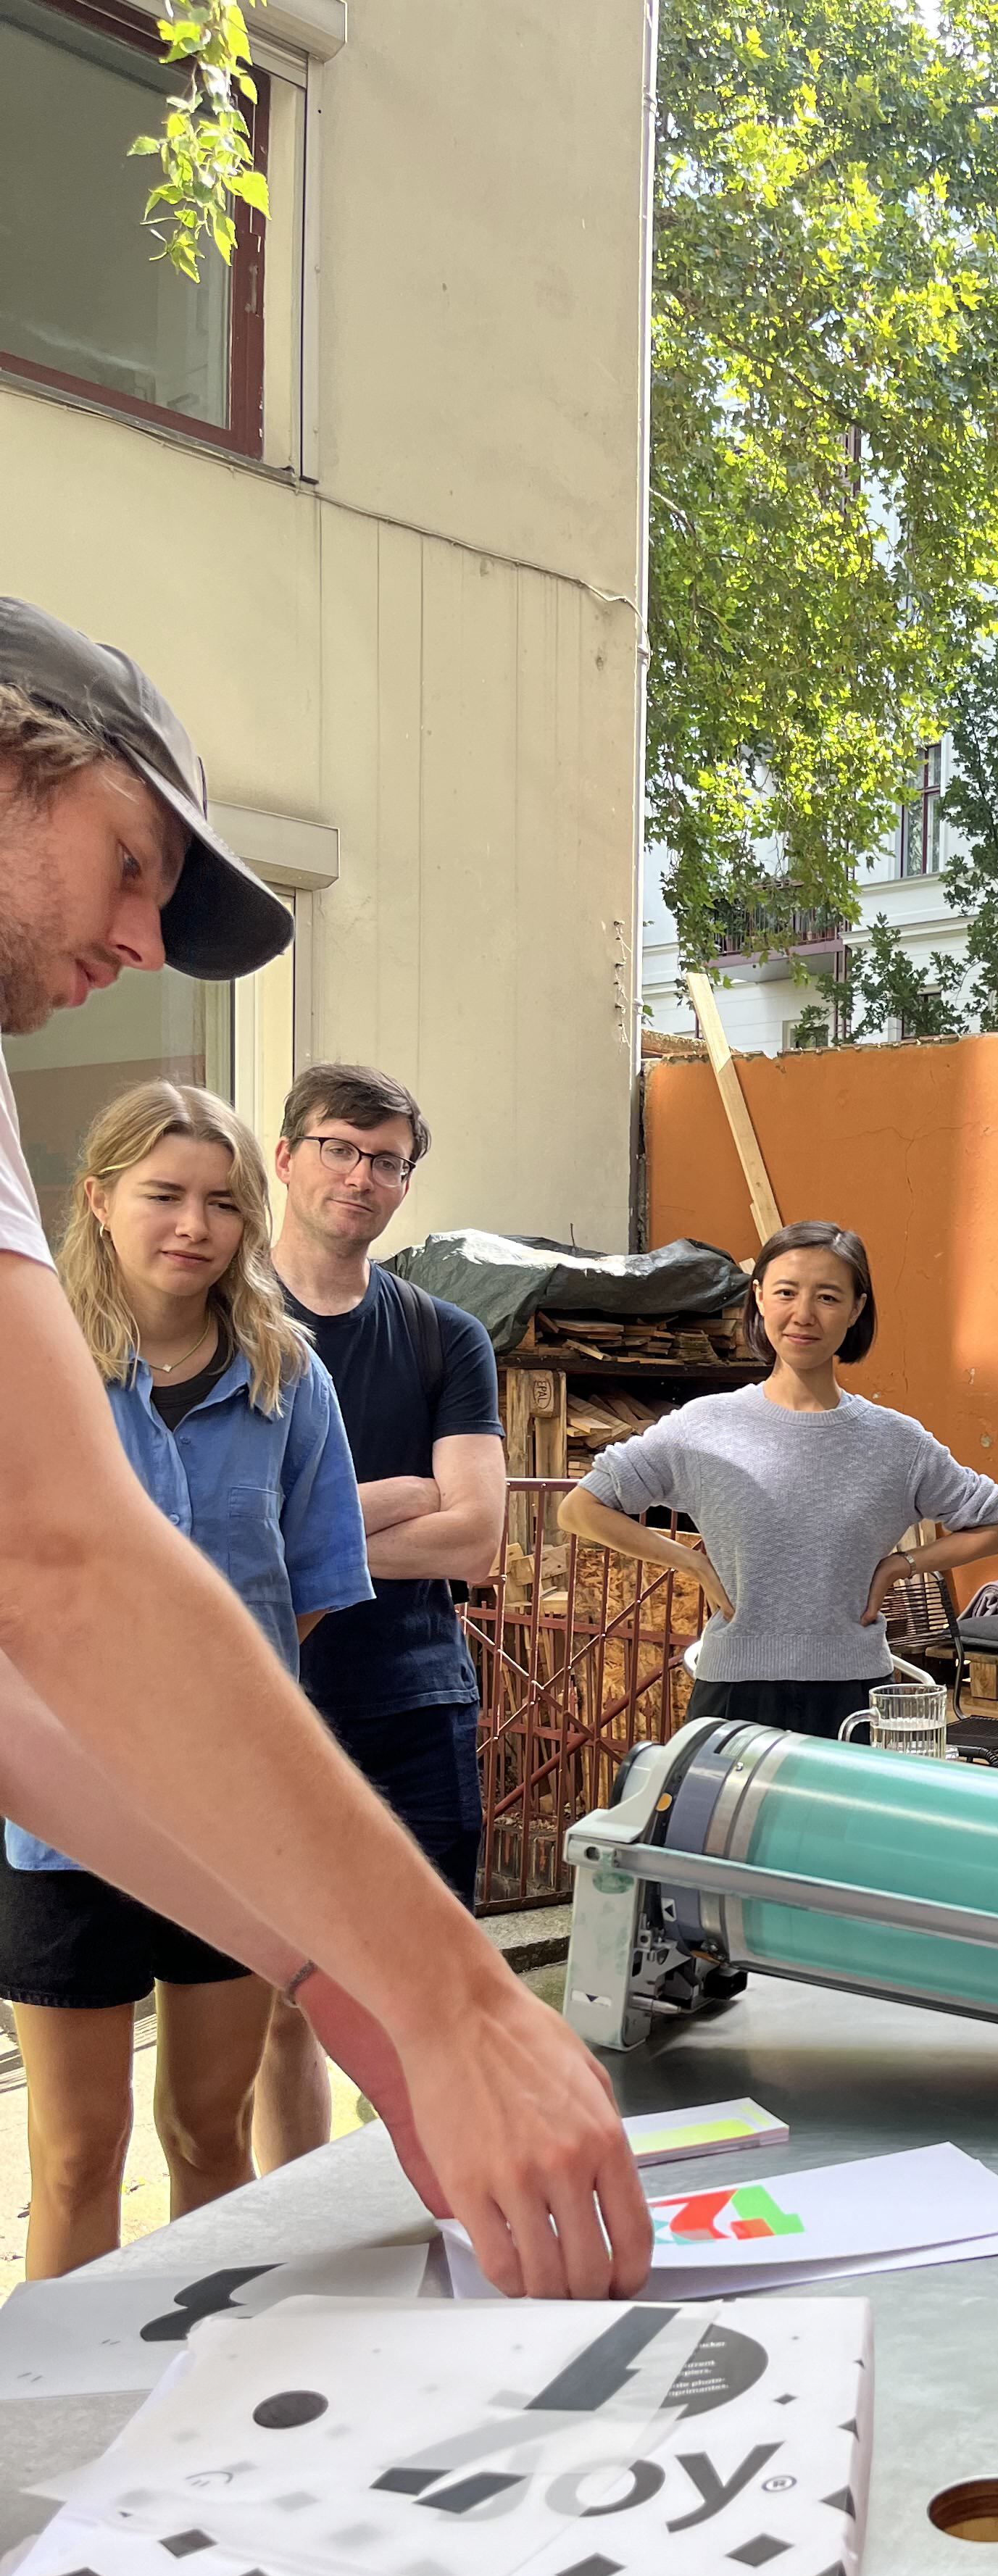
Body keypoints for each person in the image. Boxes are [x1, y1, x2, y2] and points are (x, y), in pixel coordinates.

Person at [0, 593, 648, 2296]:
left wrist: (343, 1980)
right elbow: (60, 1567)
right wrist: (451, 2003)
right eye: (132, 863)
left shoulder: (396, 1345)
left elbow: (24, 1676)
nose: (139, 941)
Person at [0, 1084, 373, 2272]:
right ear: (98, 1199)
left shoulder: (290, 1382)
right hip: (63, 1829)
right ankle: (60, 2415)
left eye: (222, 1201)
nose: (193, 1225)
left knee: (208, 2125)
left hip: (231, 1819)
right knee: (76, 2147)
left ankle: (206, 2398)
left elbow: (308, 1587)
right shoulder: (29, 1368)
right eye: (162, 1194)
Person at [262, 1061, 504, 2169]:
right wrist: (392, 1496)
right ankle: (296, 2224)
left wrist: (300, 1534)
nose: (362, 1176)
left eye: (388, 1161)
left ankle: (436, 2216)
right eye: (340, 1149)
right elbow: (207, 1538)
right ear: (287, 1155)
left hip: (415, 1704)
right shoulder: (224, 1321)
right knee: (279, 2002)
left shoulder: (441, 1336)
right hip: (263, 1707)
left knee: (429, 1984)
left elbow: (477, 1539)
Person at [560, 1218, 998, 1738]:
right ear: (758, 1299)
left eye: (827, 1297)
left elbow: (996, 1527)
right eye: (785, 1293)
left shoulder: (896, 1442)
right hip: (733, 1692)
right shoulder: (704, 1426)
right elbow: (579, 1509)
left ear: (856, 1310)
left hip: (853, 1695)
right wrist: (690, 1563)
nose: (803, 1315)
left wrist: (900, 1565)